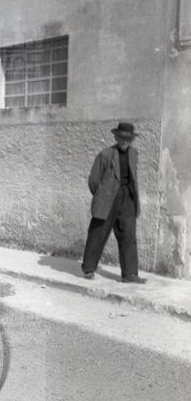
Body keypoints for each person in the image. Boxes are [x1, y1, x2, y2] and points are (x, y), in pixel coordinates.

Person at [81, 121, 146, 283]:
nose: (124, 141)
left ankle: (130, 274)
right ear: (116, 137)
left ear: (132, 140)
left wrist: (130, 196)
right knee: (98, 233)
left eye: (128, 138)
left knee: (128, 235)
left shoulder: (134, 154)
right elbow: (93, 180)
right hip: (108, 197)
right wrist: (102, 195)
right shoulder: (105, 154)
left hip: (127, 198)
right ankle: (88, 269)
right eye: (121, 138)